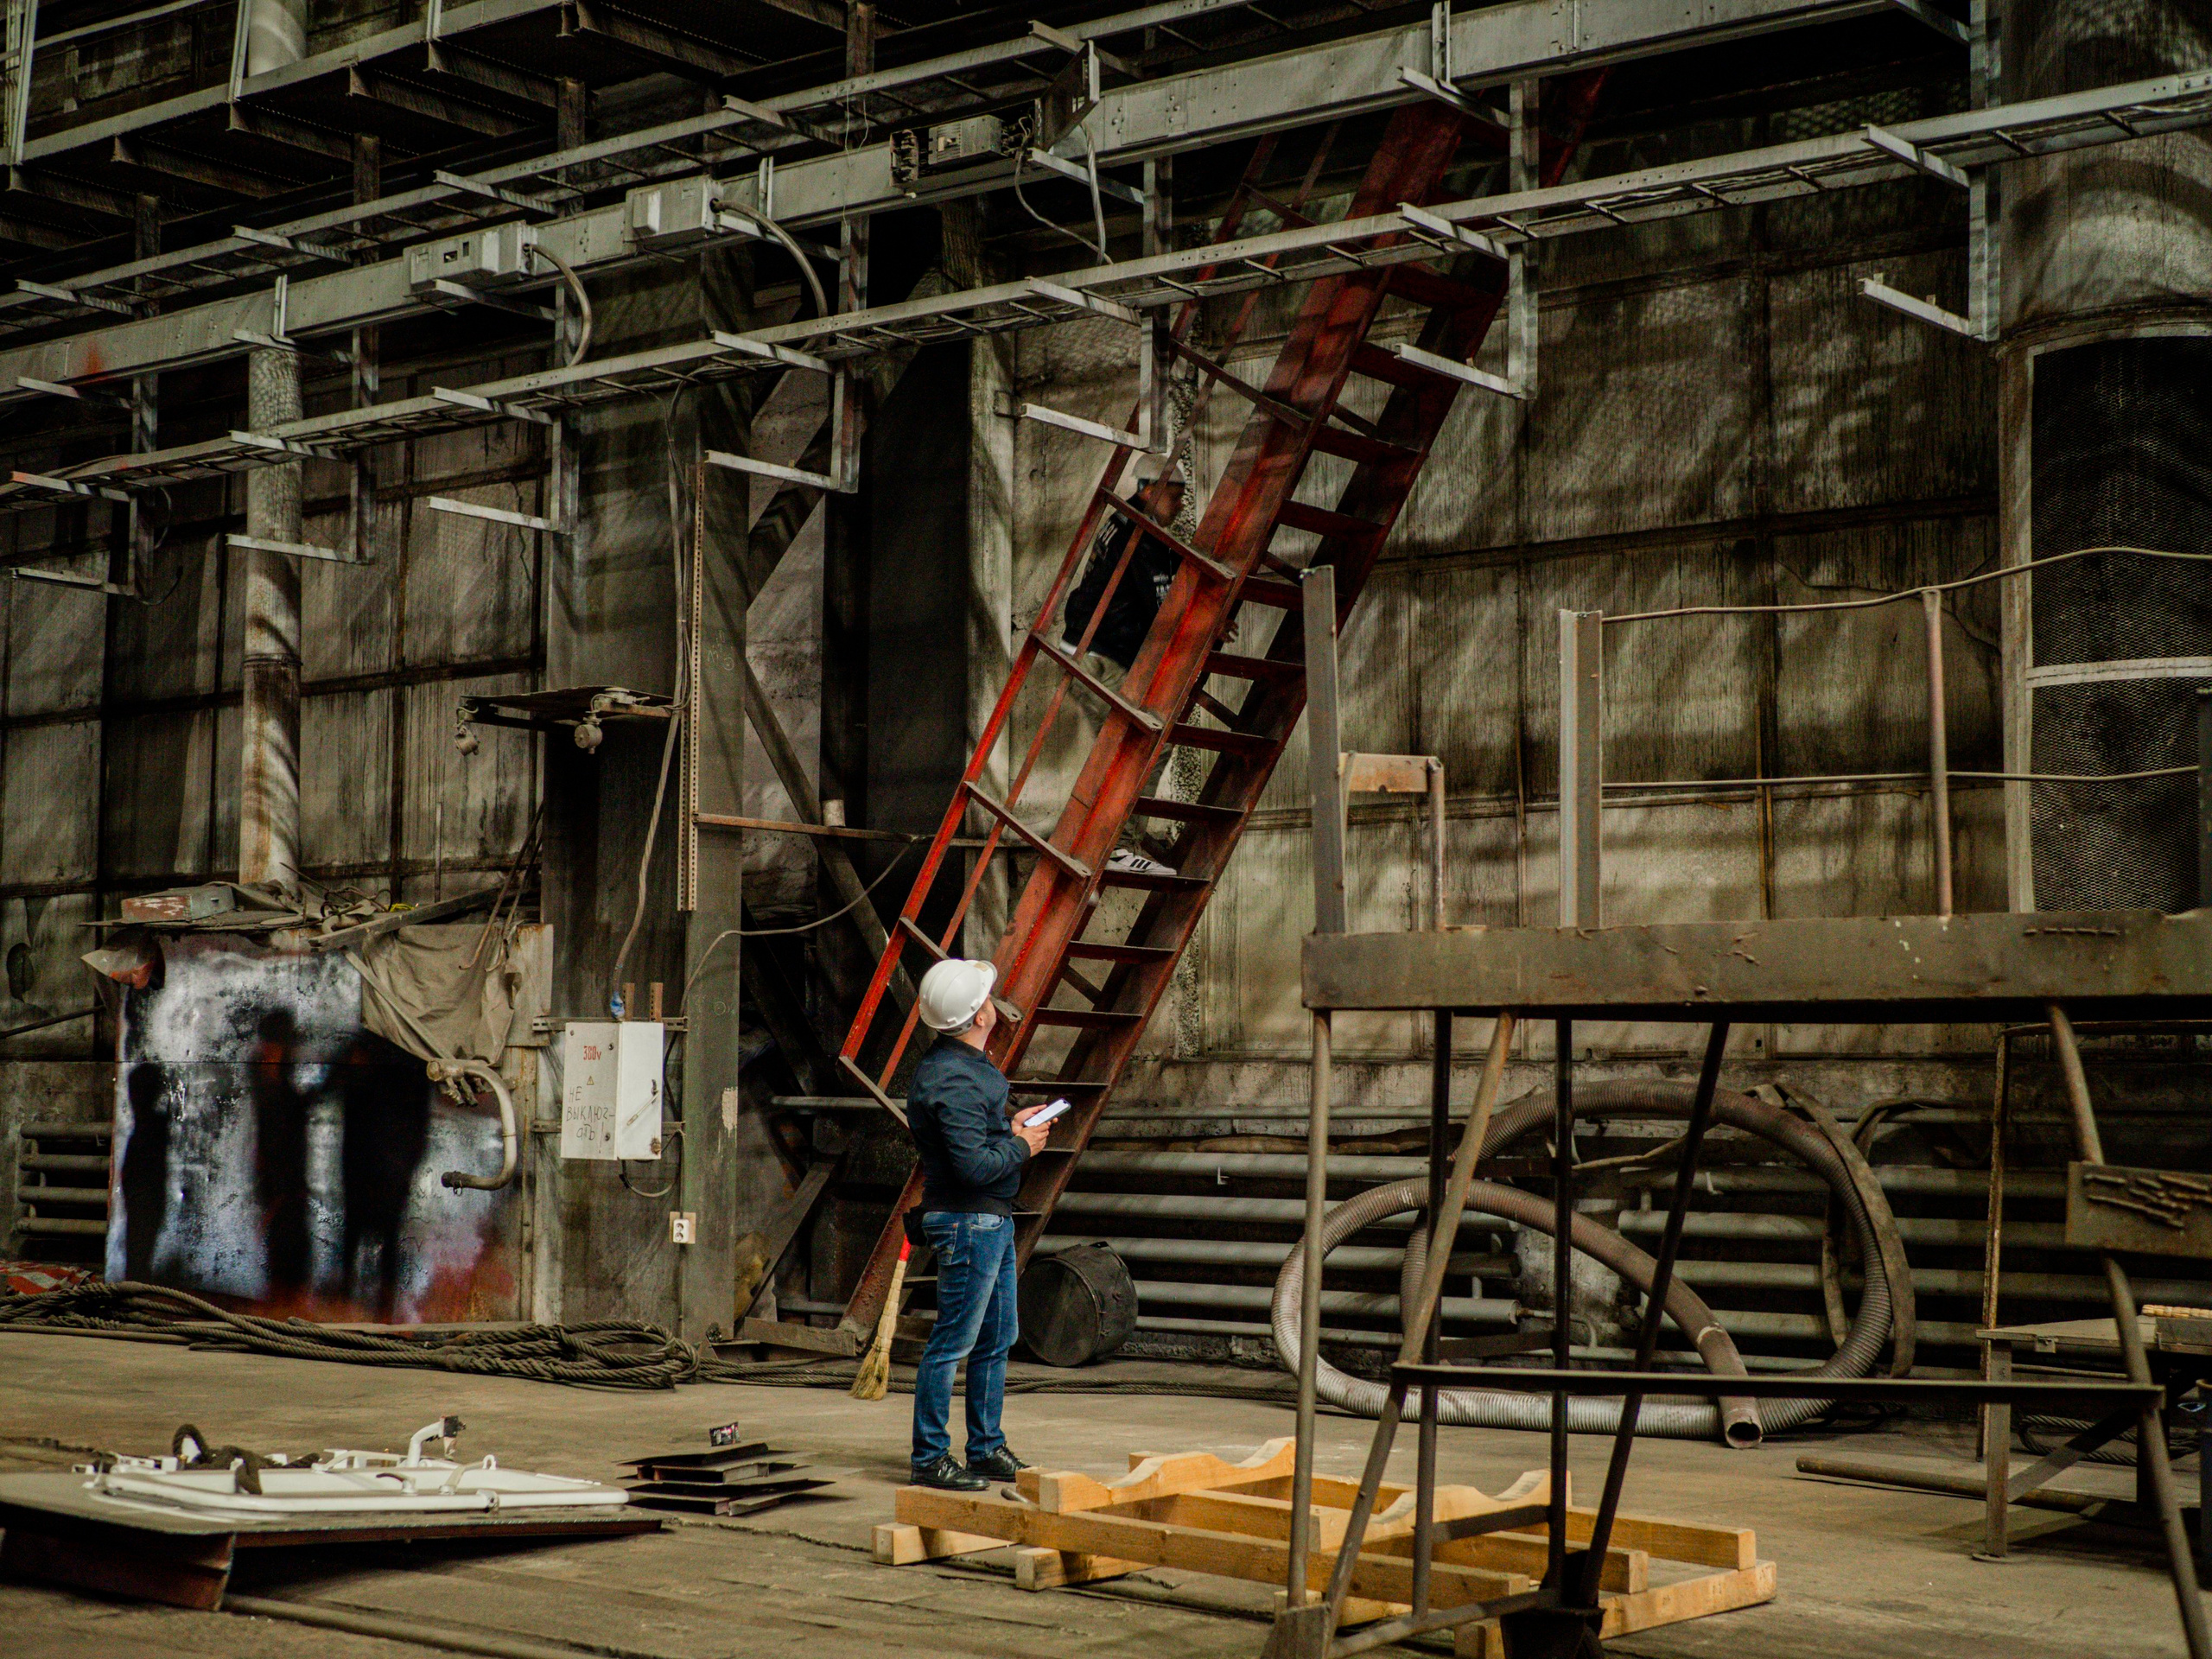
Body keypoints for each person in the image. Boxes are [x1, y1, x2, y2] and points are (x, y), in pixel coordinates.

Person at [904, 957, 1053, 1491]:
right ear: (981, 1016)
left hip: (988, 1221)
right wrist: (1021, 1145)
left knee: (996, 1337)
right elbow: (971, 1167)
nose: (993, 1004)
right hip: (971, 1224)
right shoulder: (956, 1080)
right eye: (988, 999)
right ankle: (930, 1458)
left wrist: (1007, 1127)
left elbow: (970, 1144)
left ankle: (986, 1448)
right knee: (953, 1343)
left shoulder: (959, 1068)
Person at [1061, 468, 1190, 878]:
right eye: (1176, 493)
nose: (1182, 503)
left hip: (1092, 648)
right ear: (1149, 488)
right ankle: (1117, 845)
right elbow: (1163, 613)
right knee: (1147, 743)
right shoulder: (1144, 535)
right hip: (1098, 654)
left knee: (1134, 744)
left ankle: (1102, 840)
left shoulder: (1129, 523)